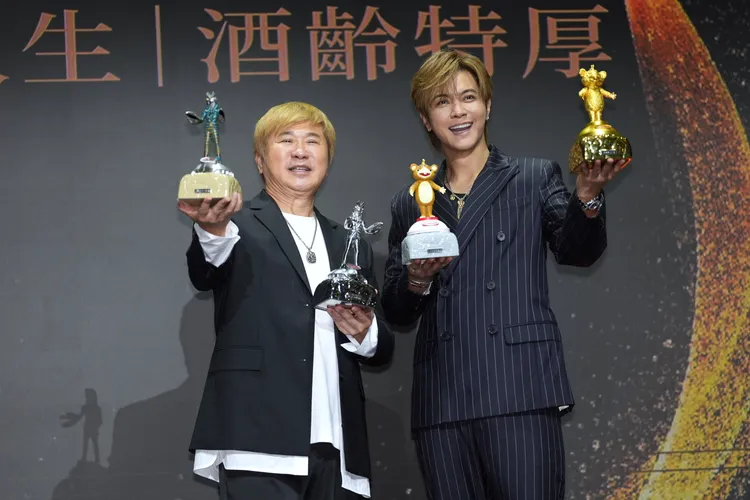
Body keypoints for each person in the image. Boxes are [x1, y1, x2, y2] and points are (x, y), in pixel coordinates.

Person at [381, 49, 628, 499]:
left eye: (468, 97)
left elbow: (578, 250)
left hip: (518, 387)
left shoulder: (532, 177)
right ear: (426, 119)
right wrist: (417, 279)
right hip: (442, 398)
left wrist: (588, 195)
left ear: (487, 105)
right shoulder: (411, 200)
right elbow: (397, 310)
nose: (458, 111)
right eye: (442, 102)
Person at [177, 101, 394, 500]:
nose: (300, 152)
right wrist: (210, 228)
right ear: (260, 161)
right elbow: (205, 271)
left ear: (328, 158)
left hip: (337, 448)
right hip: (256, 438)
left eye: (313, 141)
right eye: (286, 140)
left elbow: (380, 348)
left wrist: (365, 331)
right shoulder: (234, 223)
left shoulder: (350, 241)